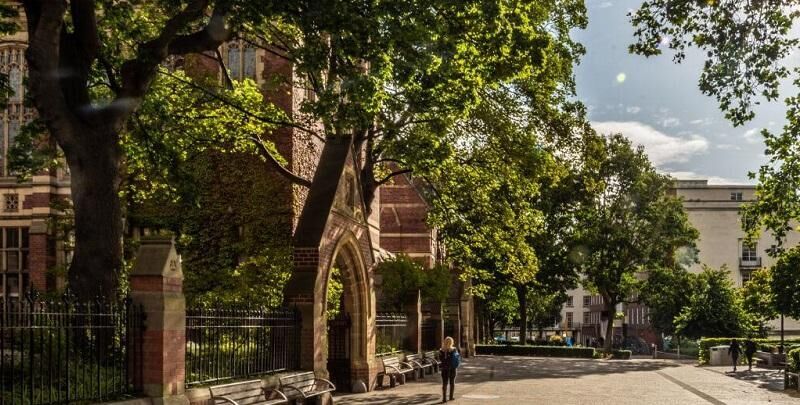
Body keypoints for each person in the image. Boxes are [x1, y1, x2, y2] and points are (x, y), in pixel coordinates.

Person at [439, 336, 460, 403]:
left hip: (444, 369)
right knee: (452, 382)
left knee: (444, 383)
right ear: (452, 342)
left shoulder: (441, 350)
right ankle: (451, 397)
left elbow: (440, 359)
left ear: (444, 342)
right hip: (452, 368)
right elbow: (457, 358)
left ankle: (444, 398)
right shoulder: (454, 349)